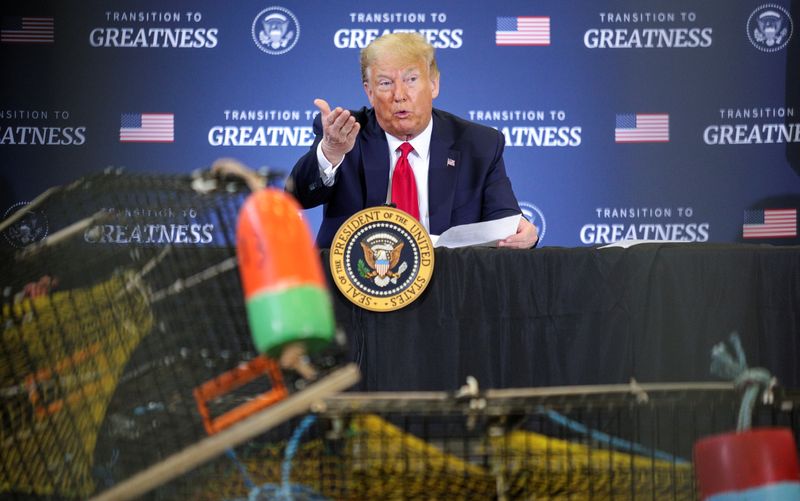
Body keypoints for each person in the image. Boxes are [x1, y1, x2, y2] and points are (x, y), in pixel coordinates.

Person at [288, 32, 538, 249]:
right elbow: (297, 197)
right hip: (353, 289)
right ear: (370, 92)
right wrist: (331, 151)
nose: (400, 95)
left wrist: (520, 232)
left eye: (411, 80)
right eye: (385, 83)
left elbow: (503, 219)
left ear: (434, 84)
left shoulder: (478, 143)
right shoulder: (345, 133)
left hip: (448, 288)